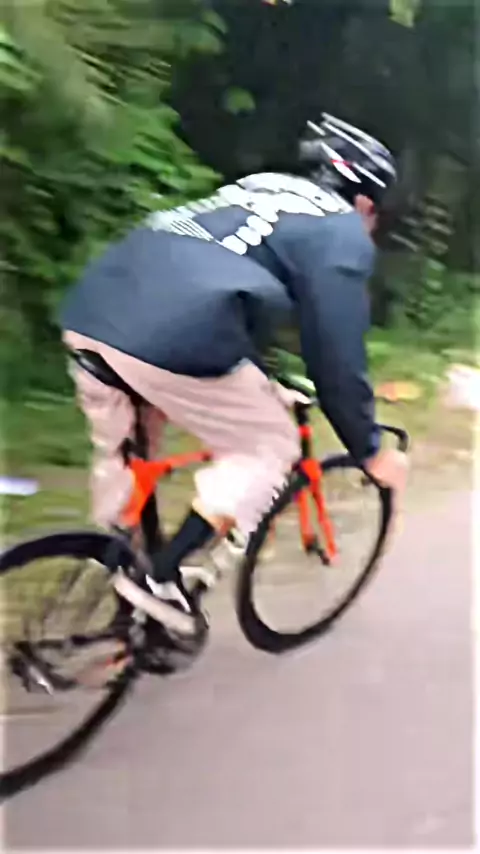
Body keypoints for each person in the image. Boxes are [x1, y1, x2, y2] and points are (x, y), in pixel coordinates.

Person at [59, 112, 408, 622]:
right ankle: (159, 581)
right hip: (171, 335)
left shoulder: (257, 189)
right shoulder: (341, 230)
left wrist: (263, 380)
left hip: (94, 310)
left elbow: (223, 286)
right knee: (268, 447)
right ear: (366, 204)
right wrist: (369, 450)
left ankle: (112, 588)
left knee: (127, 460)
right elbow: (335, 352)